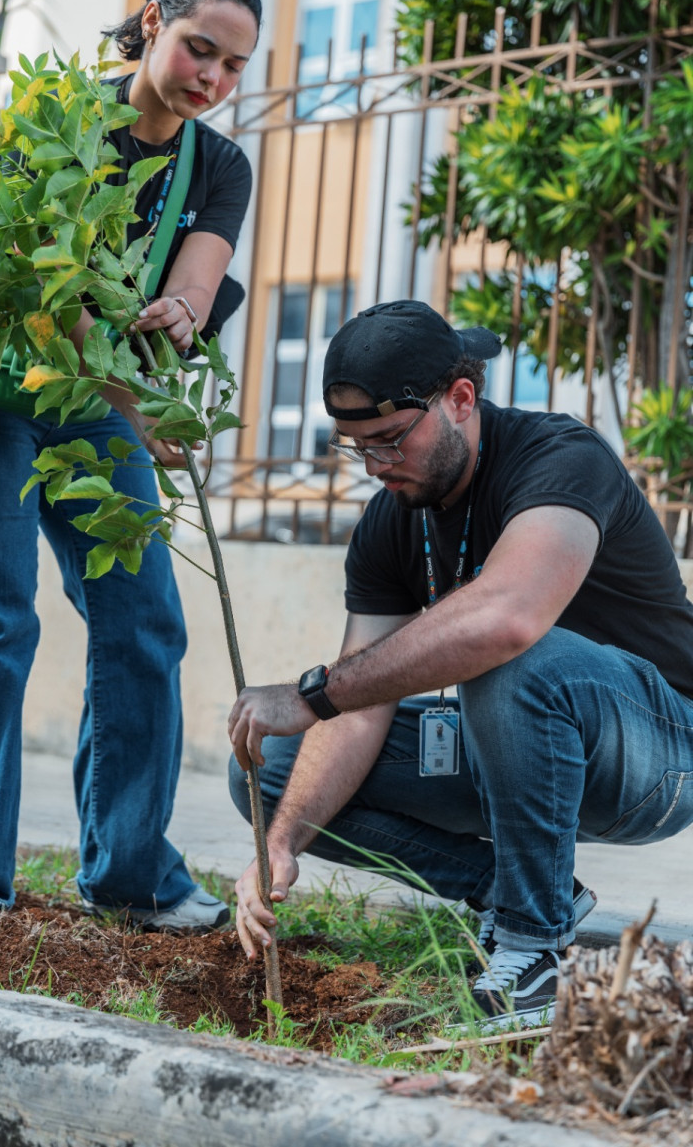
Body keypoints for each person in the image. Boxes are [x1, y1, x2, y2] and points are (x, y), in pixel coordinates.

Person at [0, 0, 262, 930]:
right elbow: (55, 305)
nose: (212, 80)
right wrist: (142, 413)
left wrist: (184, 318)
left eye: (234, 66)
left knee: (145, 620)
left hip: (92, 399)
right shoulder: (52, 124)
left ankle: (130, 873)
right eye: (198, 49)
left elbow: (197, 275)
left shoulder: (217, 163)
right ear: (151, 22)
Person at [227, 299, 693, 1030]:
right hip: (511, 745)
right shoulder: (392, 520)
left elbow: (507, 617)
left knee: (510, 657)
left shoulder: (560, 458)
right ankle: (512, 887)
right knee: (274, 771)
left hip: (656, 755)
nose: (376, 466)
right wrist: (279, 843)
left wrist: (314, 692)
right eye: (357, 447)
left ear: (461, 399)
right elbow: (362, 707)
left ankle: (534, 947)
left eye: (389, 439)